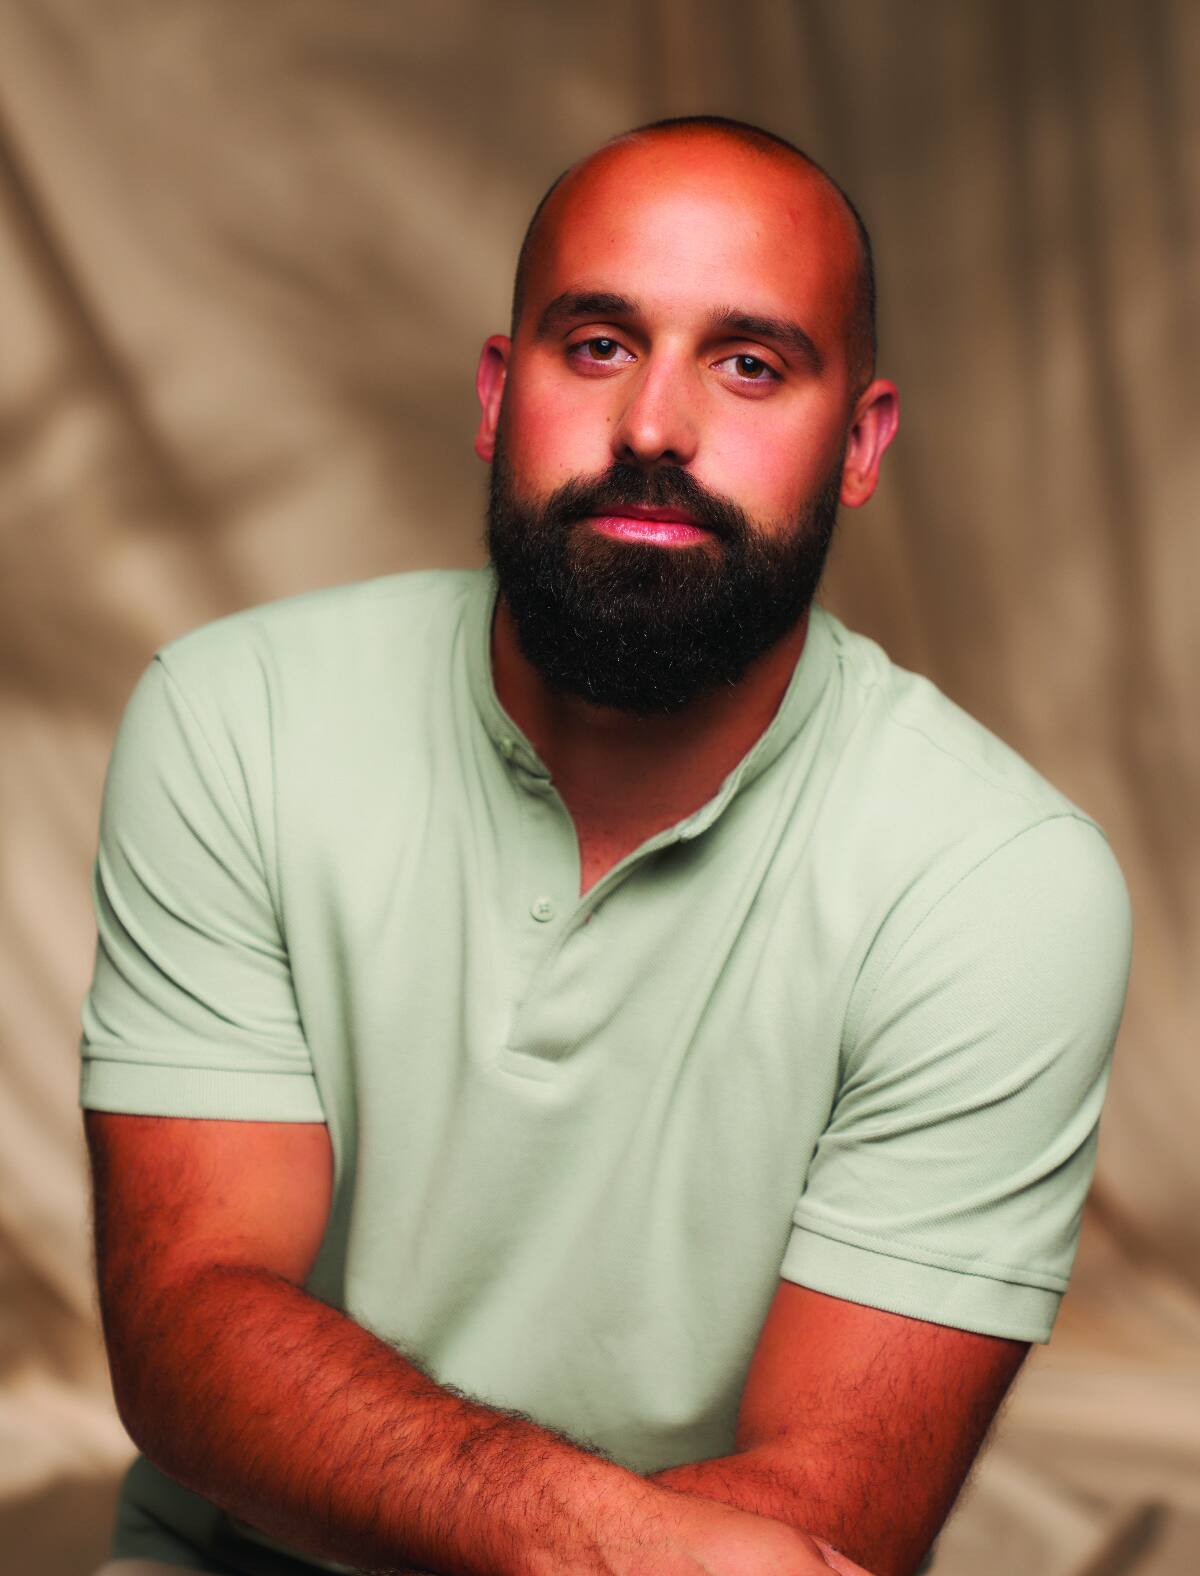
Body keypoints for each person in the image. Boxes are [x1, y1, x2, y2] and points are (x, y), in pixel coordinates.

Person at [79, 115, 1133, 1576]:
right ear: (497, 395)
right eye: (597, 345)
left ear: (860, 444)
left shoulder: (1001, 887)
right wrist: (603, 1541)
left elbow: (832, 1514)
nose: (653, 428)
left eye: (749, 364)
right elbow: (190, 1330)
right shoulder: (234, 721)